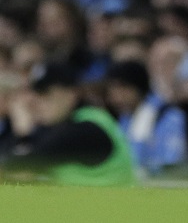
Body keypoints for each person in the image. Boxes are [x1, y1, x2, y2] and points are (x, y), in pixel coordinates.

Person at [2, 62, 135, 186]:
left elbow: (19, 165)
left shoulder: (87, 129)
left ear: (71, 93)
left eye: (46, 93)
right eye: (36, 94)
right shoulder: (63, 124)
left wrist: (23, 133)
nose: (37, 102)